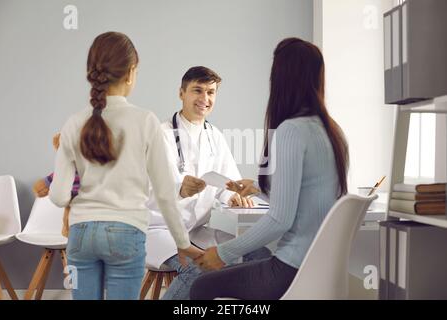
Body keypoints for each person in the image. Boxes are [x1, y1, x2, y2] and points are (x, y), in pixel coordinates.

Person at [190, 38, 350, 300]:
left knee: (202, 287)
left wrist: (222, 254)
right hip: (320, 267)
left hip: (291, 269)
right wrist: (259, 189)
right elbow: (307, 200)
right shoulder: (332, 131)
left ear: (281, 78)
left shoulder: (291, 131)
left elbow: (280, 219)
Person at [49, 31, 201, 300]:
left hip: (80, 235)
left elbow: (59, 196)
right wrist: (182, 243)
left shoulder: (73, 123)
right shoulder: (146, 121)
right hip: (125, 233)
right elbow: (166, 194)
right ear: (131, 73)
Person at [146, 66, 271, 300]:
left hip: (197, 230)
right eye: (197, 90)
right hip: (159, 230)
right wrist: (180, 189)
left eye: (211, 92)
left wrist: (232, 195)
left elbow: (227, 183)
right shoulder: (160, 136)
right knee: (197, 271)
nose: (205, 99)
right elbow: (147, 191)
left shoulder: (215, 136)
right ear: (181, 93)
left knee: (259, 255)